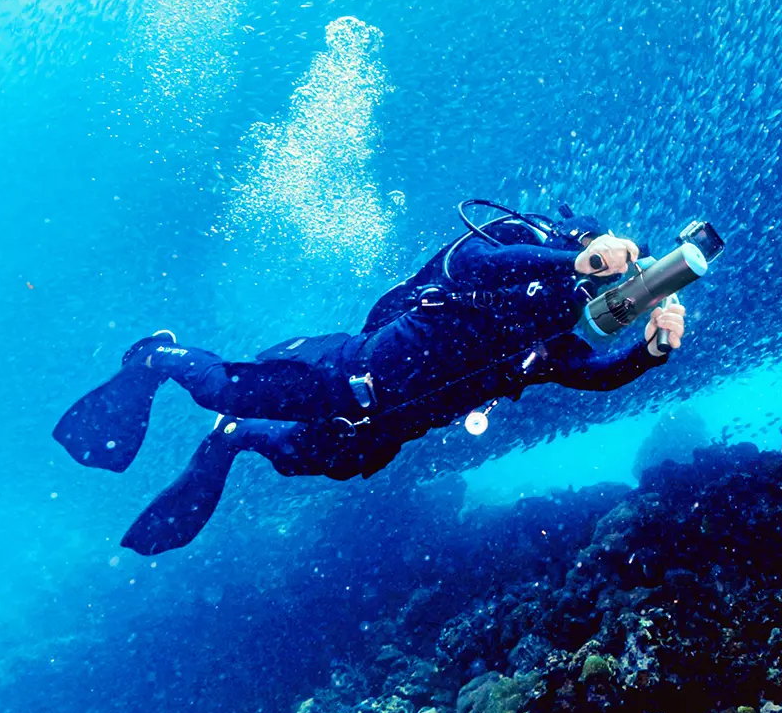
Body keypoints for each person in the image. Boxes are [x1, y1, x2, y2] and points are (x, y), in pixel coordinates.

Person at [53, 201, 689, 555]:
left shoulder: (542, 345)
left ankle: (233, 437)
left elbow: (601, 377)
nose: (583, 284)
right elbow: (474, 264)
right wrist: (568, 254)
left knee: (303, 462)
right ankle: (157, 355)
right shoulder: (501, 251)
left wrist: (652, 353)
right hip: (338, 374)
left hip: (378, 433)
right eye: (585, 266)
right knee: (219, 385)